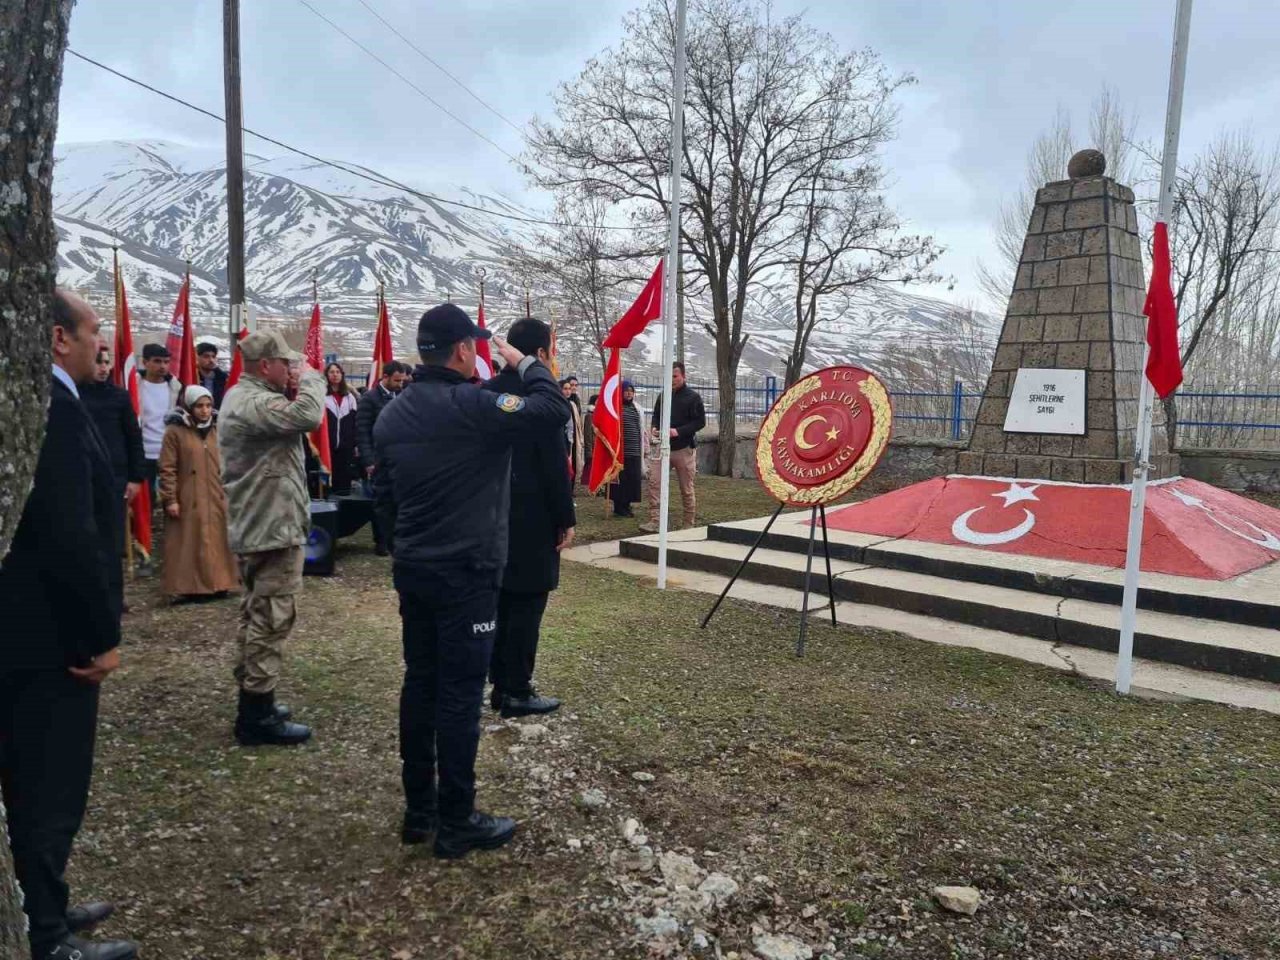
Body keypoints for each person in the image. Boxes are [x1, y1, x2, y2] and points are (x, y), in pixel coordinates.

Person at [374, 303, 571, 859]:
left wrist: (406, 543)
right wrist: (528, 362)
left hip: (415, 569)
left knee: (421, 683)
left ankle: (420, 809)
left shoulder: (394, 412)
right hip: (468, 573)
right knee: (459, 695)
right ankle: (457, 818)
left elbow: (383, 499)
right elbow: (550, 408)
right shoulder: (474, 405)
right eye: (477, 347)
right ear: (463, 350)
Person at [0, 290, 138, 960]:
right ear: (58, 338)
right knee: (46, 787)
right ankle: (47, 936)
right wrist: (97, 639)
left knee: (38, 786)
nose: (99, 343)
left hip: (33, 634)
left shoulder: (53, 401)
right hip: (50, 642)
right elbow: (69, 536)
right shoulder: (49, 411)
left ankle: (43, 900)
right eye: (91, 331)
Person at [218, 330, 324, 747]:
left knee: (258, 612)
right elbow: (309, 417)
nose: (292, 369)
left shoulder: (244, 397)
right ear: (266, 366)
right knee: (272, 616)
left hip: (265, 523)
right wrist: (312, 377)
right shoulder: (255, 402)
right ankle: (256, 715)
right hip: (271, 527)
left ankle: (255, 699)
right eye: (286, 364)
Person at [482, 318, 575, 718]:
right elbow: (554, 466)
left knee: (499, 602)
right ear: (538, 355)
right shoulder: (542, 400)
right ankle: (515, 688)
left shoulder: (486, 393)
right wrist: (565, 517)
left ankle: (499, 682)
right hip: (532, 518)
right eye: (549, 354)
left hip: (487, 517)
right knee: (526, 605)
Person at [158, 385, 239, 602]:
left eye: (208, 405)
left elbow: (230, 460)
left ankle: (221, 582)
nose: (204, 410)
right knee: (192, 541)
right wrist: (170, 499)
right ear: (189, 406)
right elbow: (167, 468)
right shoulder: (175, 432)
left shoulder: (217, 429)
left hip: (216, 493)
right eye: (199, 406)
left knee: (218, 539)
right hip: (188, 496)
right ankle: (192, 587)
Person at [80, 345, 145, 612]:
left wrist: (136, 478)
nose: (104, 367)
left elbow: (133, 439)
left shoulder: (119, 397)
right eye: (98, 362)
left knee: (112, 542)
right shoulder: (73, 394)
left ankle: (115, 598)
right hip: (83, 479)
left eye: (106, 362)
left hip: (116, 480)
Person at [641, 361, 707, 533]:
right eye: (669, 376)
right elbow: (656, 415)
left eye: (675, 376)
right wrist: (654, 427)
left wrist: (678, 431)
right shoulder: (663, 396)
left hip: (683, 449)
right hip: (663, 447)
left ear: (683, 376)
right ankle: (656, 520)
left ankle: (688, 522)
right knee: (654, 482)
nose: (672, 380)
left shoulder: (693, 397)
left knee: (686, 487)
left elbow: (700, 422)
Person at [357, 360, 408, 555]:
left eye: (402, 380)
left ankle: (396, 539)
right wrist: (368, 461)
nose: (400, 384)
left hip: (399, 460)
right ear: (385, 377)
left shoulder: (402, 397)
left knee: (397, 502)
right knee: (380, 503)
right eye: (396, 380)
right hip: (377, 460)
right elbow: (362, 431)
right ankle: (381, 540)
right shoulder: (369, 399)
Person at [138, 342, 181, 495]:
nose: (162, 366)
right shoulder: (135, 386)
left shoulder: (176, 389)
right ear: (145, 362)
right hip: (143, 454)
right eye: (157, 361)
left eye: (166, 362)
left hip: (169, 453)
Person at [611, 380, 649, 518]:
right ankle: (619, 507)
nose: (629, 393)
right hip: (621, 452)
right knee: (621, 480)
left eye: (631, 391)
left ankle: (627, 505)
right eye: (626, 390)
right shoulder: (616, 407)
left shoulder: (637, 408)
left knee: (632, 480)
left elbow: (641, 429)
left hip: (635, 451)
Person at [324, 362, 359, 495]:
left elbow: (354, 422)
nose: (335, 375)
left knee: (344, 478)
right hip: (328, 444)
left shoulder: (350, 397)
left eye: (338, 372)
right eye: (332, 372)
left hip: (346, 445)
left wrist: (355, 443)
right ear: (327, 375)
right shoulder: (323, 396)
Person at [560, 378, 584, 486]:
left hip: (571, 439)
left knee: (572, 465)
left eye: (571, 388)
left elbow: (576, 423)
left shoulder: (573, 403)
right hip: (560, 439)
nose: (569, 390)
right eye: (566, 388)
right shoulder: (557, 403)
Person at [197, 341, 230, 409]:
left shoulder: (223, 379)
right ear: (197, 358)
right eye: (206, 356)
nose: (211, 360)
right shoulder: (193, 377)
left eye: (213, 356)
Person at [581, 392, 598, 486]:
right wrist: (589, 451)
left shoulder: (599, 414)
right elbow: (587, 434)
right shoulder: (589, 416)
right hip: (592, 446)